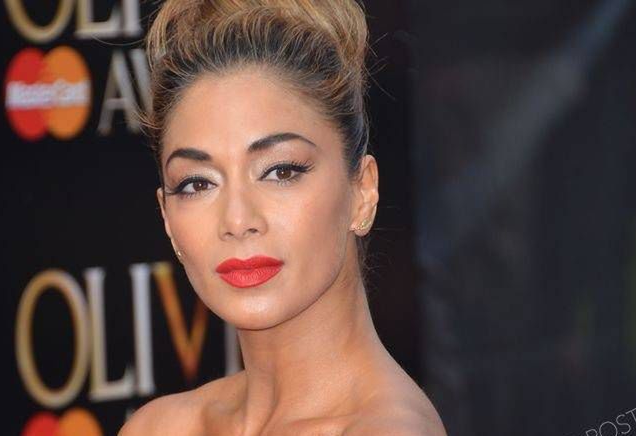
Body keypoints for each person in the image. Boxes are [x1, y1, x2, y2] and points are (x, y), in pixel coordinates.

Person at [120, 0, 447, 434]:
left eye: (281, 171)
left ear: (362, 191)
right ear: (166, 216)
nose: (238, 220)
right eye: (197, 183)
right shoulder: (157, 428)